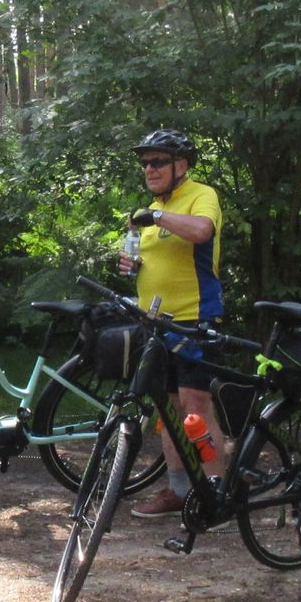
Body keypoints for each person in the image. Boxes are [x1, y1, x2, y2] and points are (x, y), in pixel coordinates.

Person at [112, 128, 223, 521]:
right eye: (145, 163)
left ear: (182, 165)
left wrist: (157, 216)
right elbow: (139, 261)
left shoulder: (200, 195)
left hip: (194, 318)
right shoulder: (147, 211)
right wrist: (131, 264)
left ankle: (216, 490)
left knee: (196, 408)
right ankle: (178, 491)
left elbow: (202, 231)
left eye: (158, 161)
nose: (149, 169)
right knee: (169, 410)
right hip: (155, 323)